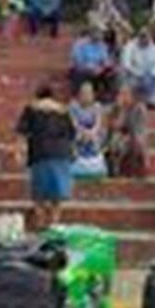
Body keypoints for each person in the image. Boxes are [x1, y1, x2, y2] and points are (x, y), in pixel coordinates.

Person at [16, 83, 76, 230]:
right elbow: (71, 134)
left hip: (40, 154)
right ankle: (54, 224)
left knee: (39, 194)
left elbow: (22, 133)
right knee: (57, 195)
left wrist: (19, 152)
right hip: (61, 155)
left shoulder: (31, 108)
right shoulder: (63, 110)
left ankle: (41, 222)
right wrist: (73, 153)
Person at [105, 85, 149, 179]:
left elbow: (138, 128)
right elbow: (114, 127)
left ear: (131, 96)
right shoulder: (115, 108)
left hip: (134, 136)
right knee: (115, 142)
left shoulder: (139, 108)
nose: (123, 96)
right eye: (121, 94)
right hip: (117, 136)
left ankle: (137, 171)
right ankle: (114, 170)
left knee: (137, 142)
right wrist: (121, 110)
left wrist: (129, 136)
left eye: (125, 94)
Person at [121, 28, 155, 108]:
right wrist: (139, 74)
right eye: (142, 37)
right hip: (134, 76)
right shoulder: (130, 46)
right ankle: (130, 98)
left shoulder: (154, 48)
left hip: (149, 76)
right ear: (139, 37)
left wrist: (152, 74)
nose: (144, 39)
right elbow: (126, 64)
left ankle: (153, 101)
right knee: (123, 74)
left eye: (146, 37)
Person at [69, 83, 107, 179]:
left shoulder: (97, 106)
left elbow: (98, 123)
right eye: (83, 93)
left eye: (88, 93)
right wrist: (83, 132)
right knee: (76, 137)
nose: (86, 96)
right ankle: (77, 165)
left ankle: (96, 167)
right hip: (79, 131)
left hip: (93, 132)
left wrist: (91, 132)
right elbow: (74, 123)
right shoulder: (73, 106)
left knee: (97, 138)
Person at [69, 27, 117, 101]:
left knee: (110, 73)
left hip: (98, 69)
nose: (99, 39)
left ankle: (108, 96)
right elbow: (79, 62)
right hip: (82, 69)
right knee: (79, 73)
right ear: (91, 35)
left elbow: (106, 60)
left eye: (100, 36)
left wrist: (102, 68)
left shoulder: (102, 45)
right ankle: (78, 96)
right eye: (97, 36)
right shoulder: (79, 44)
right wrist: (92, 69)